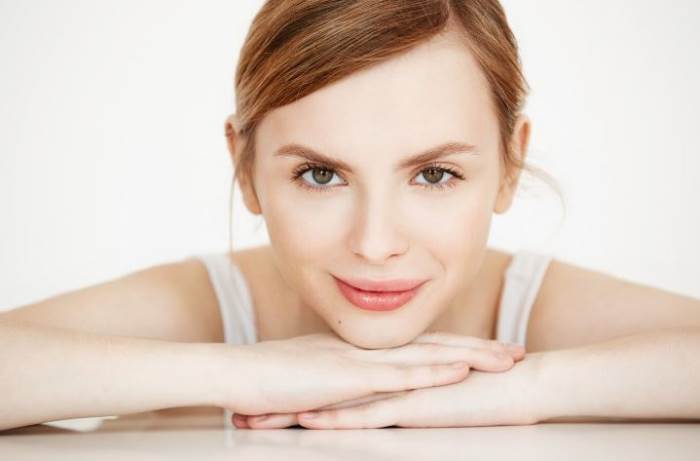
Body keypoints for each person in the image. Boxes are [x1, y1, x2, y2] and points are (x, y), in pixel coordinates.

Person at [1, 0, 699, 432]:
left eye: (434, 174)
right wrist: (246, 373)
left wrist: (526, 388)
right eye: (321, 174)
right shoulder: (211, 305)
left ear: (509, 164)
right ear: (244, 167)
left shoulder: (530, 307)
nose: (375, 243)